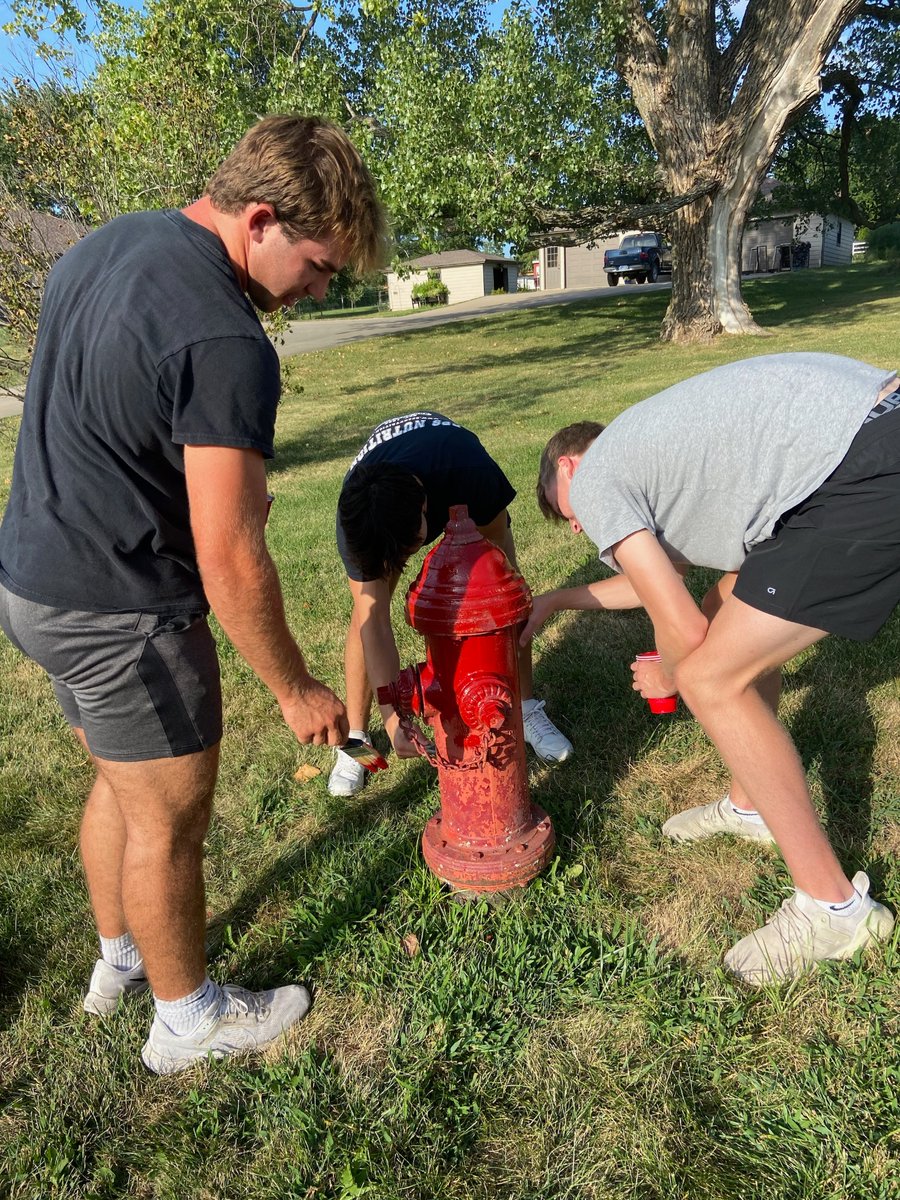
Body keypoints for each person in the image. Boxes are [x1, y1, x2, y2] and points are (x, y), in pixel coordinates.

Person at [0, 115, 388, 1072]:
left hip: (32, 584)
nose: (319, 290)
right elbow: (231, 555)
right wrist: (296, 687)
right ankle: (187, 1017)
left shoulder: (105, 244)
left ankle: (121, 959)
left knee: (121, 784)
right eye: (320, 266)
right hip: (123, 609)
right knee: (171, 820)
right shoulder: (227, 337)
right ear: (260, 219)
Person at [527, 352, 898, 986]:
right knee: (731, 619)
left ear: (569, 467)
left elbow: (682, 629)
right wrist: (560, 600)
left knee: (710, 677)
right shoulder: (669, 458)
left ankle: (833, 909)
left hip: (861, 470)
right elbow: (676, 587)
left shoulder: (599, 476)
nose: (584, 529)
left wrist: (674, 673)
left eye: (570, 516)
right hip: (868, 431)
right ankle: (751, 804)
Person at [328, 411, 574, 796]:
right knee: (367, 611)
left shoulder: (469, 472)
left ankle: (526, 708)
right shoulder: (357, 515)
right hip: (383, 495)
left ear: (428, 508)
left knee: (506, 598)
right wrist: (393, 716)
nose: (405, 566)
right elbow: (374, 623)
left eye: (408, 553)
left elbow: (503, 580)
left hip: (449, 461)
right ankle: (356, 742)